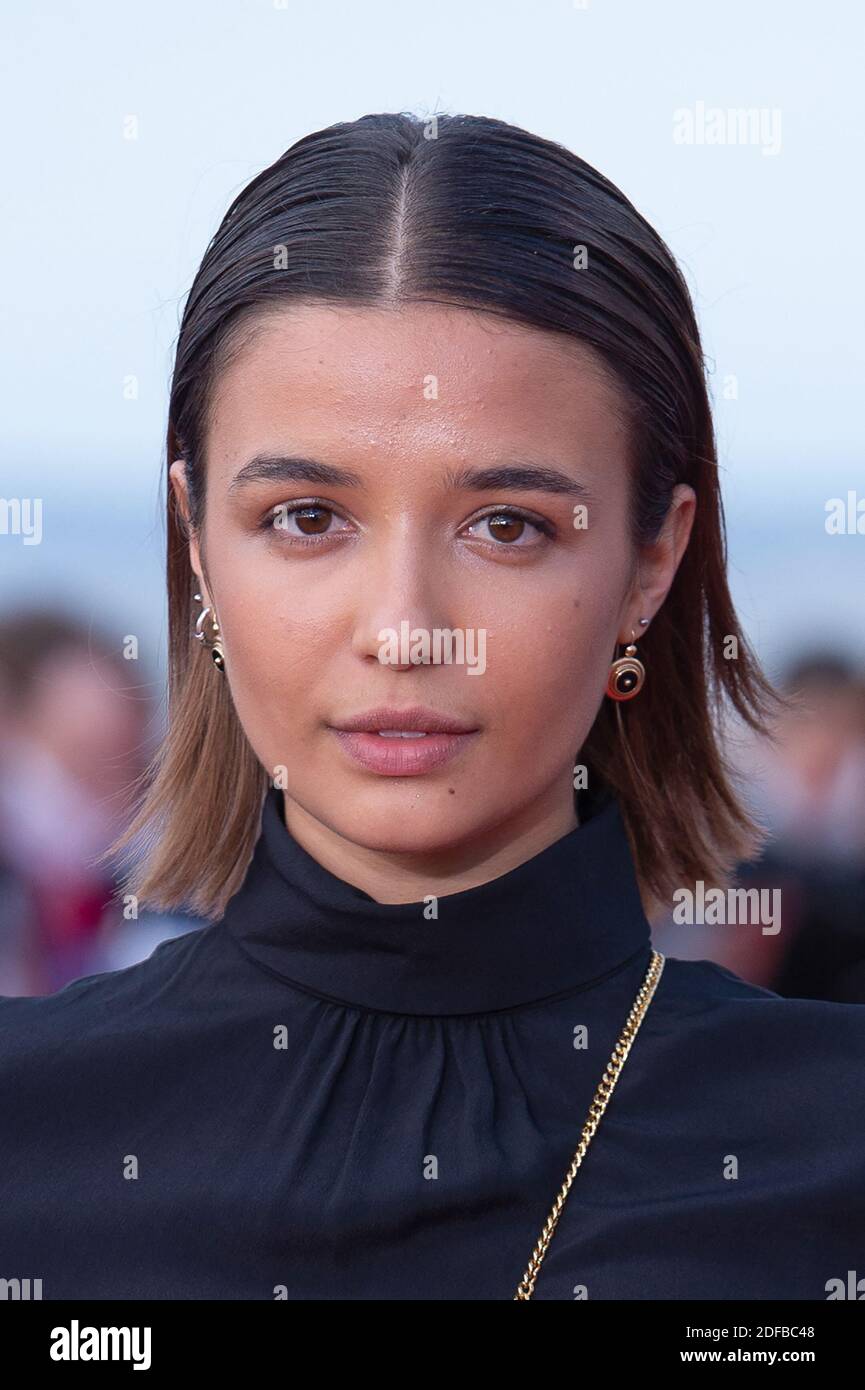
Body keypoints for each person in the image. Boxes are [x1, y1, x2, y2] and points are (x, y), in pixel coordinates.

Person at [0, 111, 862, 1302]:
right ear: (195, 539)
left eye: (507, 526)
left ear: (651, 564)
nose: (404, 626)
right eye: (307, 518)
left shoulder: (830, 1151)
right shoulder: (25, 1133)